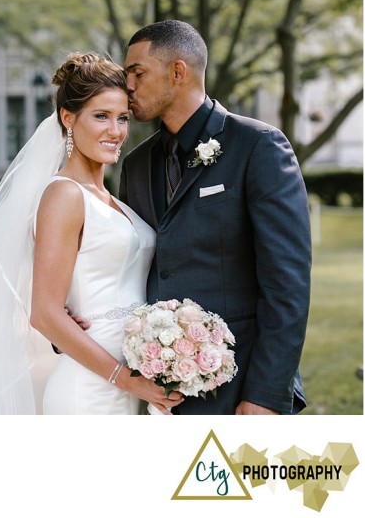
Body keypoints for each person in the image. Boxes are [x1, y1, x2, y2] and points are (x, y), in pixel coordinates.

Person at [0, 52, 181, 415]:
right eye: (101, 116)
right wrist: (125, 379)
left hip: (134, 380)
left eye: (122, 117)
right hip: (92, 391)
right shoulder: (63, 194)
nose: (116, 131)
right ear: (68, 118)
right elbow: (44, 314)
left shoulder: (113, 201)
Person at [119, 20, 310, 415]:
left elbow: (286, 283)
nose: (128, 87)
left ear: (177, 72)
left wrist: (265, 395)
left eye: (137, 73)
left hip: (243, 388)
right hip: (160, 392)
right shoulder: (136, 165)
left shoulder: (259, 146)